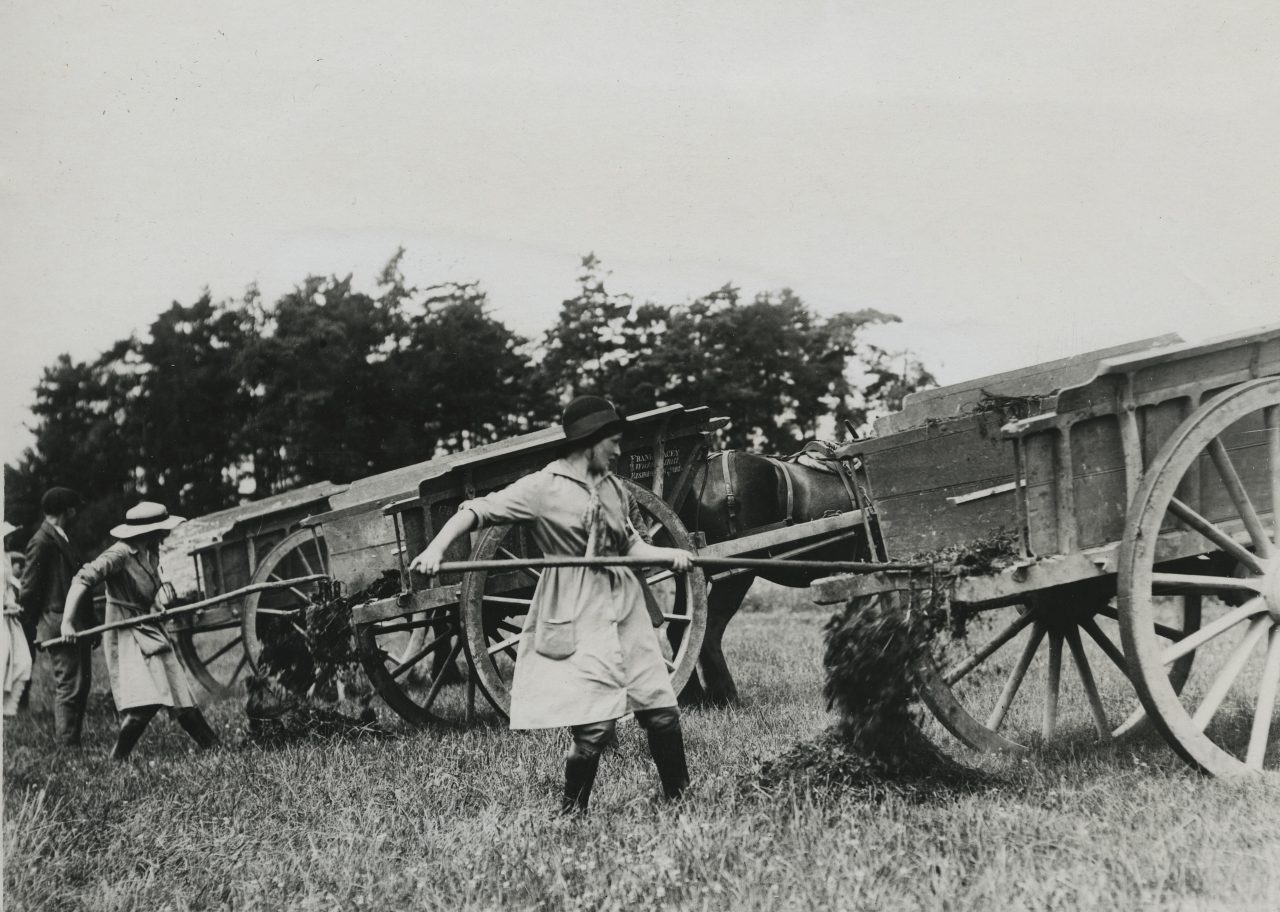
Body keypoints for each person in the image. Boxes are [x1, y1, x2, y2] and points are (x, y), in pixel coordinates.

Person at [410, 395, 694, 814]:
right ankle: (572, 811)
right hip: (579, 612)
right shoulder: (542, 488)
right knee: (594, 725)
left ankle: (681, 800)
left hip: (626, 607)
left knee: (661, 709)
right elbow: (475, 511)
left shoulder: (613, 488)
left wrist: (669, 556)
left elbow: (630, 545)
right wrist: (435, 550)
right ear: (590, 441)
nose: (618, 451)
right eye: (612, 442)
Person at [60, 501, 218, 760]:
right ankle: (117, 759)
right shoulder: (120, 553)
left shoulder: (151, 550)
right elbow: (82, 579)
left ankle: (213, 746)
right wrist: (68, 621)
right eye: (163, 528)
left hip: (149, 626)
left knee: (179, 691)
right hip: (127, 632)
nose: (167, 532)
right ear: (151, 530)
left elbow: (146, 592)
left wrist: (160, 609)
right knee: (145, 701)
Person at [18, 486, 87, 743]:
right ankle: (68, 745)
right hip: (57, 621)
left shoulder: (59, 536)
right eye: (74, 508)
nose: (76, 513)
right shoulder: (41, 541)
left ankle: (72, 740)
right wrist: (35, 625)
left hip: (69, 621)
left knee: (79, 683)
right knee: (69, 684)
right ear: (66, 510)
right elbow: (29, 589)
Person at [2, 521, 33, 716]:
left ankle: (9, 708)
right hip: (4, 618)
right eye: (7, 536)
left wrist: (12, 605)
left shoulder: (5, 558)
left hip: (10, 619)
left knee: (23, 661)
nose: (10, 540)